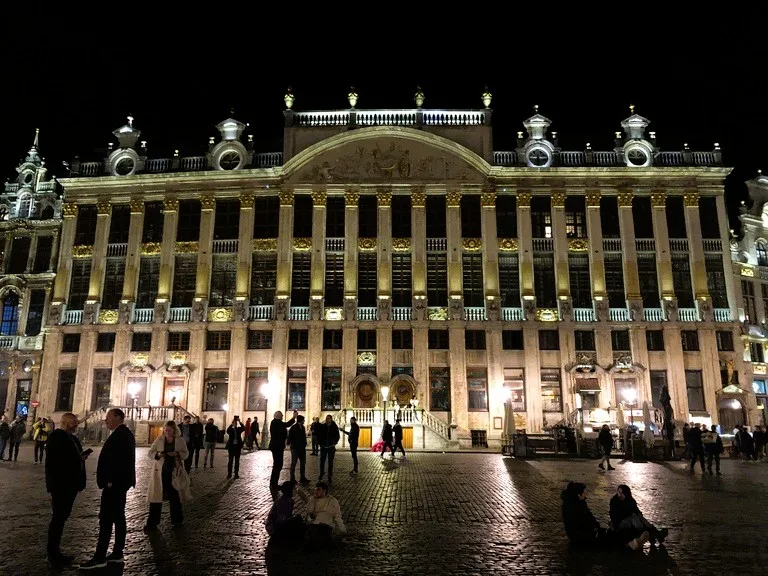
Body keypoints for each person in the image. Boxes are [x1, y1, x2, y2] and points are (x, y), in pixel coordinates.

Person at [79, 408, 136, 570]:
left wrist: (110, 481)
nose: (106, 420)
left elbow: (119, 461)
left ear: (118, 417)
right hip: (119, 483)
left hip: (114, 485)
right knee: (118, 517)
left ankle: (100, 556)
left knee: (106, 519)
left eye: (109, 417)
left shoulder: (121, 435)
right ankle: (117, 552)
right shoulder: (123, 433)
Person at [45, 413, 89, 568]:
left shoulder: (73, 438)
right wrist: (78, 459)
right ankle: (52, 553)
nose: (77, 424)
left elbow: (73, 456)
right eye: (74, 422)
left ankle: (56, 551)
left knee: (62, 518)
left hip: (71, 484)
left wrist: (80, 457)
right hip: (61, 484)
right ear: (66, 422)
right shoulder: (57, 437)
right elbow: (57, 460)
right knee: (58, 518)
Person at [145, 421, 189, 530]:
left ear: (174, 430)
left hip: (174, 472)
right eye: (166, 430)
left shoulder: (180, 440)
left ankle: (177, 521)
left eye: (169, 430)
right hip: (160, 472)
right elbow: (150, 452)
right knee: (156, 497)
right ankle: (152, 522)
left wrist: (177, 454)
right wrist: (158, 454)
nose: (167, 432)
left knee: (174, 497)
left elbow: (186, 454)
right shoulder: (159, 440)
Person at [305, 481, 345, 549]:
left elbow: (337, 516)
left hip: (326, 526)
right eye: (316, 490)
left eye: (318, 490)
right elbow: (309, 511)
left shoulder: (332, 501)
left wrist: (342, 529)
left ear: (324, 491)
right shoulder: (313, 500)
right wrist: (312, 501)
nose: (316, 492)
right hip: (314, 525)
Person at [269, 410, 298, 487]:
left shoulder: (275, 423)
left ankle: (274, 483)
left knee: (277, 464)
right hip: (277, 447)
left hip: (277, 446)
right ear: (278, 416)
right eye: (281, 415)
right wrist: (293, 417)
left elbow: (286, 425)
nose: (282, 416)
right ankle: (273, 483)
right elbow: (287, 424)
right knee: (278, 464)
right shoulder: (277, 423)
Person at [317, 414, 340, 484]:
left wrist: (334, 443)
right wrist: (320, 443)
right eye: (326, 418)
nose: (327, 420)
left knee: (330, 462)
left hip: (331, 447)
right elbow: (319, 435)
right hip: (323, 446)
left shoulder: (334, 427)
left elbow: (337, 436)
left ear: (331, 419)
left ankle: (329, 476)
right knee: (322, 461)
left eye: (328, 418)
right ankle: (321, 473)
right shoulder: (323, 426)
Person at [288, 415, 310, 483]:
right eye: (303, 420)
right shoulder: (293, 427)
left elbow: (303, 436)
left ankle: (302, 478)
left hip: (302, 448)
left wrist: (304, 443)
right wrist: (292, 444)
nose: (304, 421)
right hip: (295, 448)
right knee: (294, 463)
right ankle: (292, 478)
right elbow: (290, 437)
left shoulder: (303, 427)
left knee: (303, 463)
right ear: (301, 420)